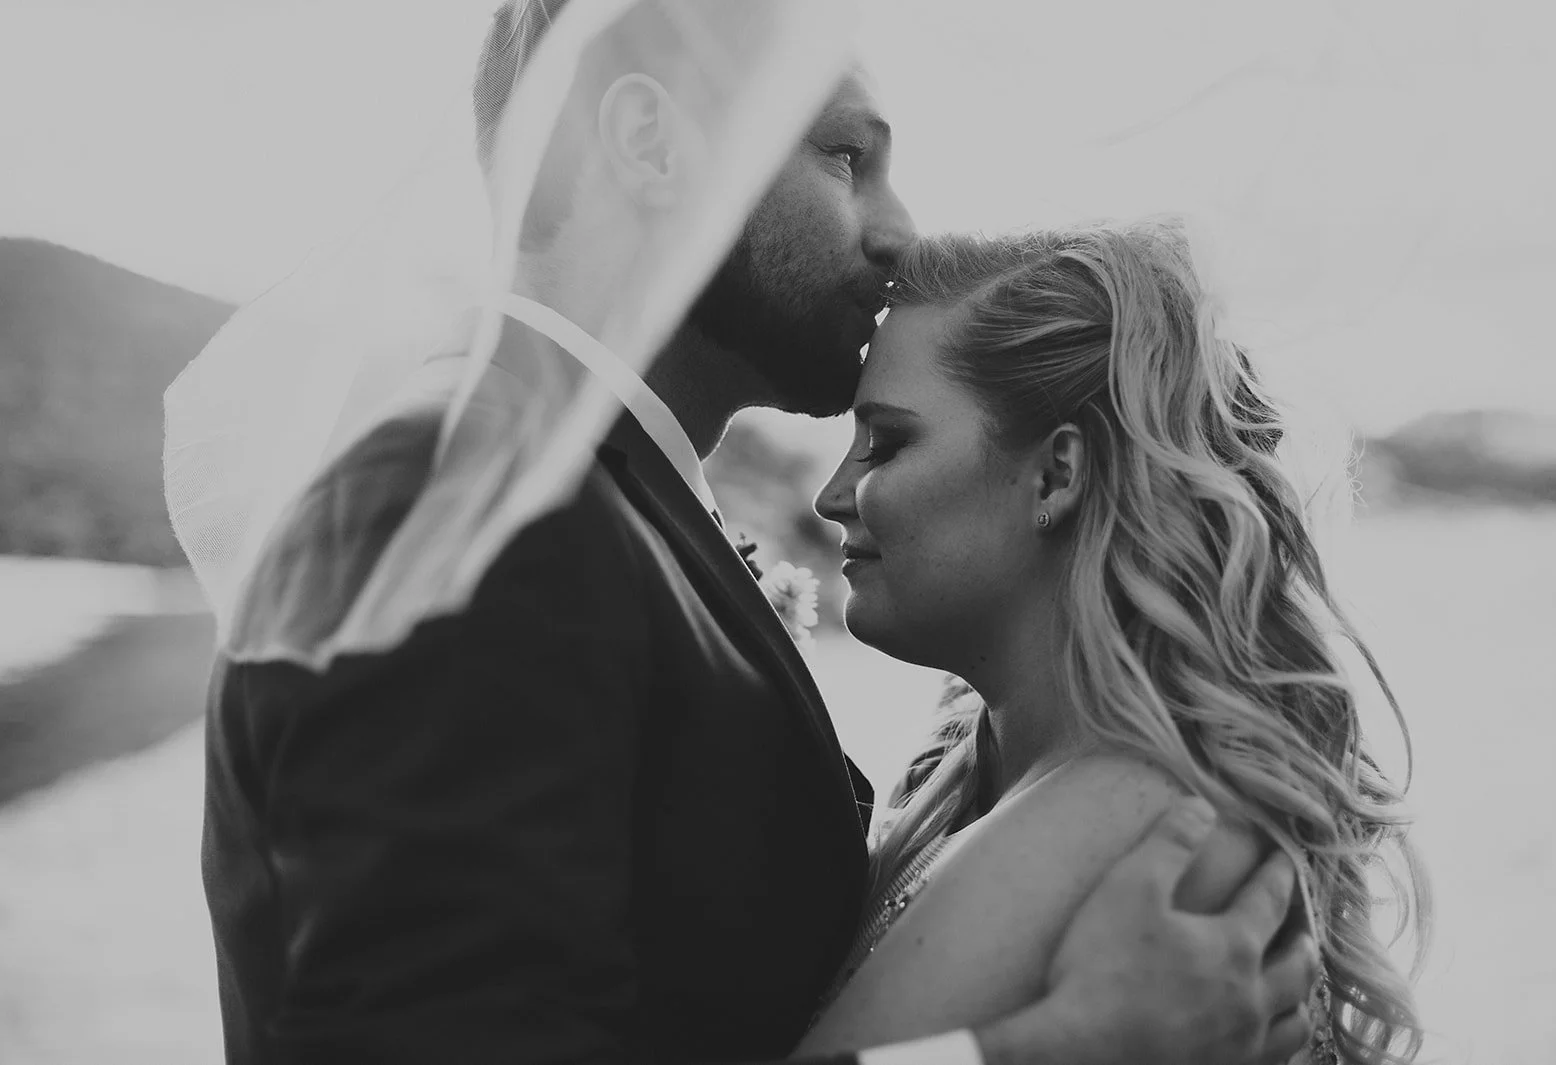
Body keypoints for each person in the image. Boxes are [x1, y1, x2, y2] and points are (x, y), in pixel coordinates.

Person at [180, 4, 1319, 1064]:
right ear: (649, 144)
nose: (898, 228)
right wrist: (1051, 1049)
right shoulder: (467, 500)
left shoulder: (598, 503)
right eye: (845, 157)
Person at [805, 223, 1431, 1064]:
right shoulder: (975, 779)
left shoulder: (1128, 826)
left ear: (1058, 474)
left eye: (886, 442)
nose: (830, 494)